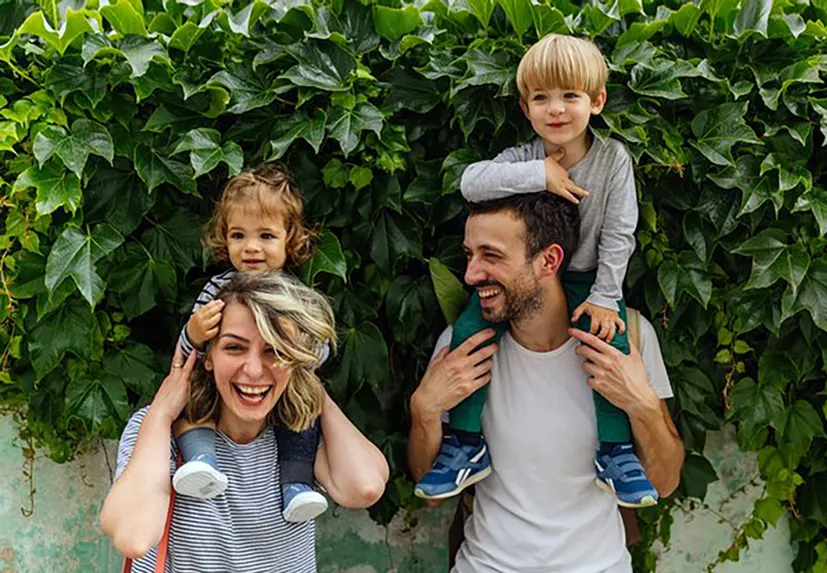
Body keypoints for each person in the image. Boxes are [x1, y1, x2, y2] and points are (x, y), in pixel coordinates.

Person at [415, 33, 652, 508]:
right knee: (468, 330)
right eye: (541, 98)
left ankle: (617, 451)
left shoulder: (612, 160)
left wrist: (607, 296)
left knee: (609, 344)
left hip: (587, 279)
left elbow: (620, 231)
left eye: (570, 96)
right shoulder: (523, 158)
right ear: (526, 109)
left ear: (597, 101)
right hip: (525, 277)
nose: (556, 109)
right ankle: (464, 443)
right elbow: (471, 182)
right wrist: (540, 175)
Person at [408, 194, 684, 572]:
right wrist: (424, 410)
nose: (471, 275)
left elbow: (664, 482)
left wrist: (643, 405)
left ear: (549, 261)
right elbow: (432, 494)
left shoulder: (628, 338)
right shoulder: (462, 350)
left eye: (491, 255)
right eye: (470, 255)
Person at [101, 272, 389, 572]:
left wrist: (308, 384)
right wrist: (160, 414)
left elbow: (364, 487)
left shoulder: (298, 433)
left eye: (275, 351)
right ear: (208, 356)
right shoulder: (160, 431)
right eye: (234, 347)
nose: (253, 370)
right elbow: (133, 538)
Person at [171, 166, 332, 522]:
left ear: (290, 240)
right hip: (221, 394)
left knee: (305, 412)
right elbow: (186, 354)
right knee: (191, 398)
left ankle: (296, 486)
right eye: (238, 235)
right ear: (223, 239)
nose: (251, 247)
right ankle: (201, 461)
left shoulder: (293, 297)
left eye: (266, 236)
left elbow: (322, 350)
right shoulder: (216, 291)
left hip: (281, 392)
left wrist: (299, 350)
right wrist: (195, 332)